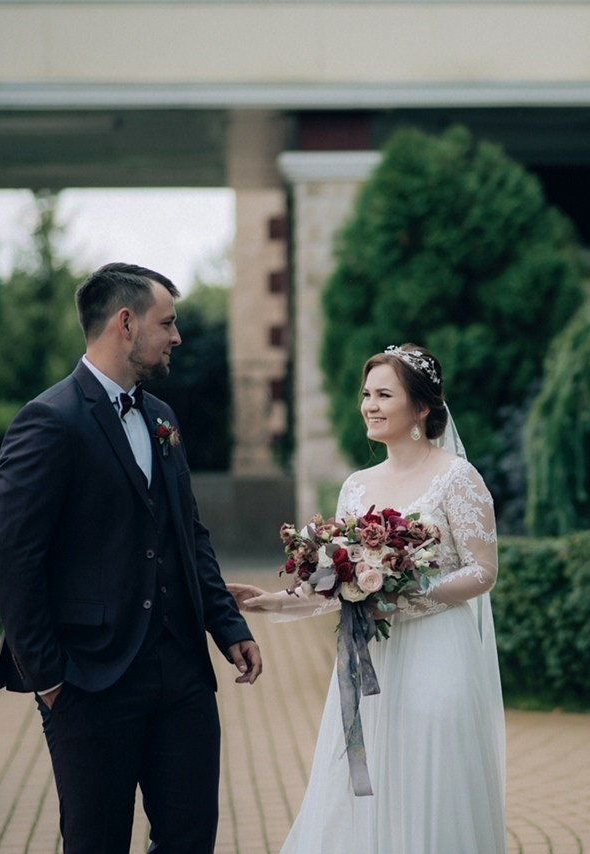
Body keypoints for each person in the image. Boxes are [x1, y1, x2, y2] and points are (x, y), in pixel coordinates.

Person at [0, 262, 263, 853]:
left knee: (191, 839)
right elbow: (13, 558)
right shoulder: (48, 421)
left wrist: (227, 624)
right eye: (168, 323)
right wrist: (50, 679)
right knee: (96, 843)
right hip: (89, 679)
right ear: (125, 322)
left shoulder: (161, 416)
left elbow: (189, 534)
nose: (177, 337)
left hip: (182, 670)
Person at [229, 343, 505, 854]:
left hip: (438, 653)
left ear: (421, 407)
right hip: (368, 658)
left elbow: (483, 571)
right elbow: (339, 584)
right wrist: (270, 600)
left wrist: (405, 589)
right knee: (366, 787)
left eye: (384, 394)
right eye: (366, 394)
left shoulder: (457, 478)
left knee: (427, 779)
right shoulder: (356, 487)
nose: (370, 406)